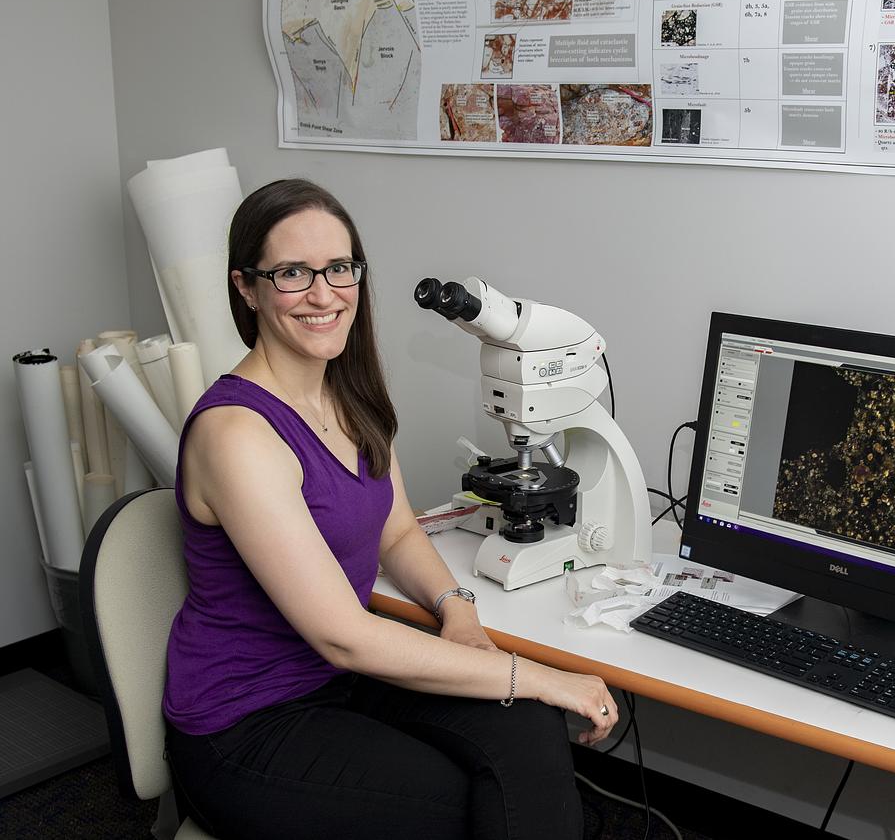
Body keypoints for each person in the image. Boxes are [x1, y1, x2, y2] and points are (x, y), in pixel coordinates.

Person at [162, 179, 616, 839]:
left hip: (339, 685)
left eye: (339, 269)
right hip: (247, 724)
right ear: (247, 287)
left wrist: (455, 610)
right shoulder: (237, 435)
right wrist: (538, 673)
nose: (324, 294)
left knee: (525, 727)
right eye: (293, 273)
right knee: (468, 799)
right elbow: (343, 636)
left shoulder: (346, 398)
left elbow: (397, 531)